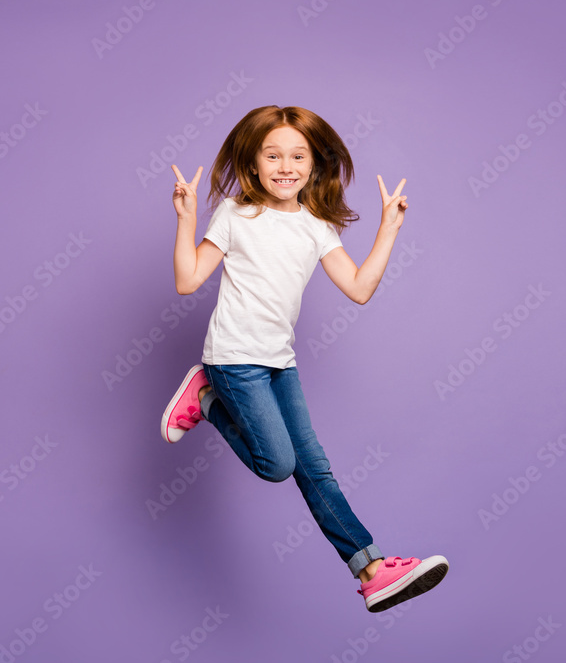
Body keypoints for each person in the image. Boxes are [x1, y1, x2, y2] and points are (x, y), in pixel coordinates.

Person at [160, 105, 448, 613]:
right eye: (272, 155)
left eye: (298, 156)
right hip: (233, 359)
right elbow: (188, 281)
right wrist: (186, 220)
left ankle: (372, 570)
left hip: (279, 362)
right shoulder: (236, 213)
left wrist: (389, 229)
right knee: (278, 465)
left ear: (314, 165)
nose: (285, 166)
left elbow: (359, 288)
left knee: (315, 468)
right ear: (253, 164)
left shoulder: (316, 227)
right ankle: (204, 397)